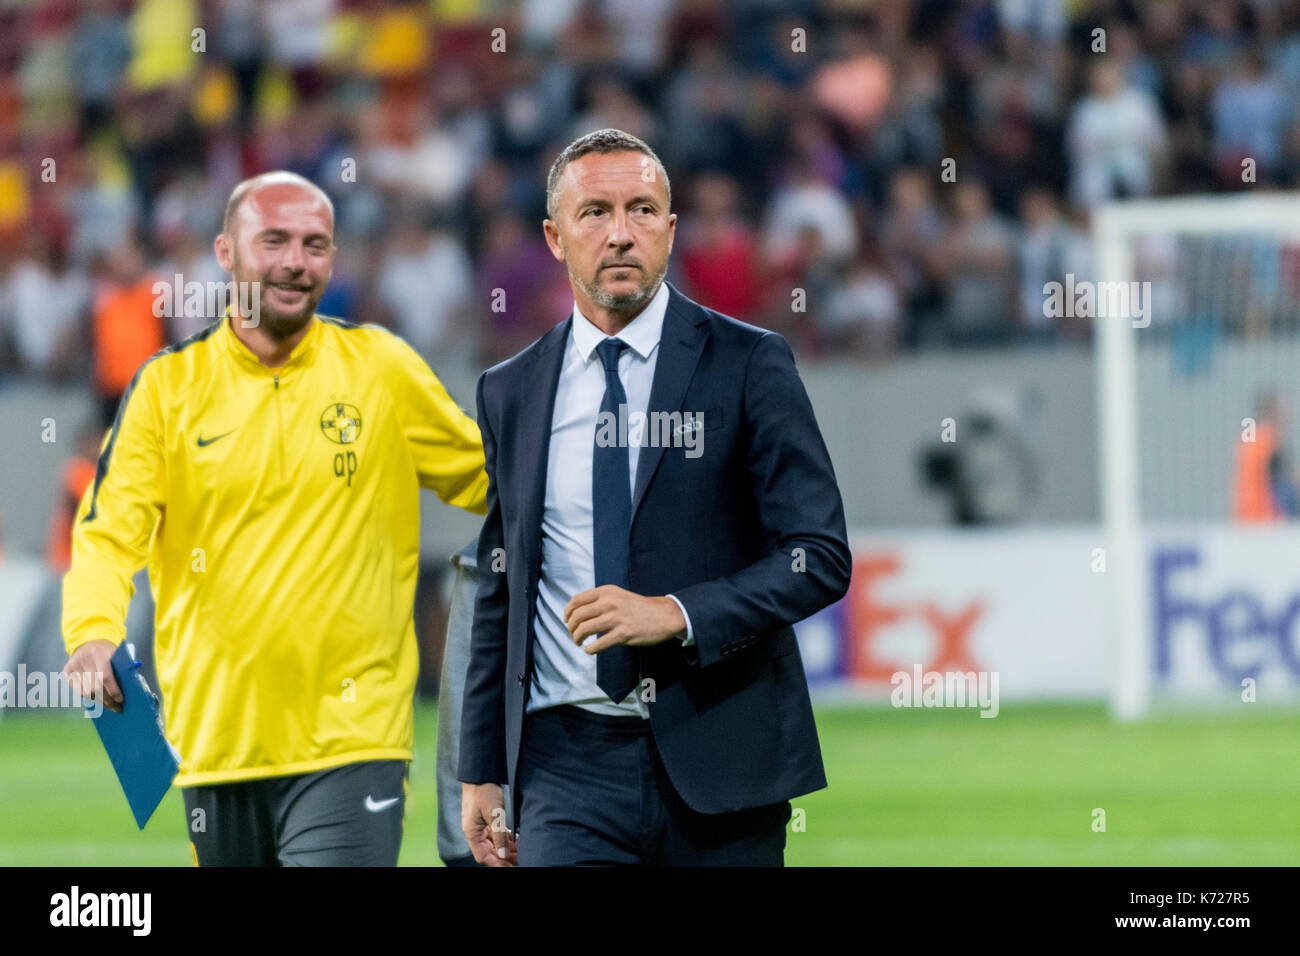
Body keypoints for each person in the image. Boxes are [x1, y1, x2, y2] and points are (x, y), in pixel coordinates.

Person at [61, 171, 489, 866]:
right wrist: (92, 633)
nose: (297, 260)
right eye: (276, 240)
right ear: (226, 253)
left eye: (316, 245)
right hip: (216, 745)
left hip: (353, 740)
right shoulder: (167, 390)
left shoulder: (380, 369)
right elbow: (110, 534)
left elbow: (489, 480)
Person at [458, 129, 851, 866]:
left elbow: (818, 556)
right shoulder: (509, 390)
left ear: (670, 231)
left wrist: (676, 614)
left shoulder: (749, 363)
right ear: (553, 236)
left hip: (722, 749)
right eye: (594, 212)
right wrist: (481, 763)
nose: (619, 233)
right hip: (563, 767)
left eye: (642, 210)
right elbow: (501, 584)